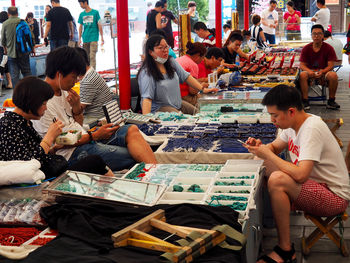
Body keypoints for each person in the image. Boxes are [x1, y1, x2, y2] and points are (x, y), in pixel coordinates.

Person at [245, 85, 350, 263]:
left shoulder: (311, 128)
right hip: (314, 185)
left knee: (277, 179)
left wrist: (268, 154)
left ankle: (285, 250)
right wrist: (260, 148)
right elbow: (275, 147)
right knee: (262, 162)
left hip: (334, 197)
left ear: (291, 111)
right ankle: (269, 216)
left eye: (275, 115)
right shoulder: (291, 125)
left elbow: (301, 175)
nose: (272, 120)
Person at [32, 46, 157, 171]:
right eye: (73, 77)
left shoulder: (64, 92)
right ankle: (155, 174)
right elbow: (59, 143)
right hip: (71, 154)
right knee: (135, 155)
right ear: (59, 74)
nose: (75, 82)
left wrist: (77, 109)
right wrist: (94, 135)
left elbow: (78, 125)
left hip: (87, 139)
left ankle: (157, 172)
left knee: (131, 130)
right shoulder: (43, 102)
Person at [0, 76, 114, 178]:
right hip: (42, 180)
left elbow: (34, 153)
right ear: (32, 103)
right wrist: (49, 137)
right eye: (44, 104)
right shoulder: (8, 126)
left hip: (52, 168)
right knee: (95, 161)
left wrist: (54, 149)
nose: (45, 108)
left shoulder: (24, 122)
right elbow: (27, 166)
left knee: (95, 161)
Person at [137, 35, 204, 115]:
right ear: (150, 52)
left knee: (198, 113)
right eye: (160, 48)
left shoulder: (170, 61)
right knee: (183, 118)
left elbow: (186, 76)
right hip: (160, 109)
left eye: (166, 47)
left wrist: (203, 89)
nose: (165, 50)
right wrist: (147, 120)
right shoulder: (147, 72)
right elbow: (146, 99)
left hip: (177, 104)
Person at [299, 25, 339, 110]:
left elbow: (331, 65)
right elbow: (302, 65)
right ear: (311, 35)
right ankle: (305, 100)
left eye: (319, 34)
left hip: (324, 72)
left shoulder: (329, 48)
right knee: (302, 75)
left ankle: (331, 100)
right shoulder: (306, 48)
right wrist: (309, 71)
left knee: (333, 75)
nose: (316, 36)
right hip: (310, 71)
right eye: (314, 34)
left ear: (323, 35)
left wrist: (322, 71)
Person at [74, 47, 113, 124]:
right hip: (103, 114)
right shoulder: (91, 73)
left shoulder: (88, 81)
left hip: (96, 119)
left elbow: (79, 109)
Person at [176, 42, 218, 106]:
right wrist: (201, 86)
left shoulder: (180, 59)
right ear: (198, 55)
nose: (202, 60)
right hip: (183, 96)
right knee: (208, 104)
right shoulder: (193, 64)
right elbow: (192, 90)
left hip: (174, 95)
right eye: (202, 57)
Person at [1, 7, 32, 88]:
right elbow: (30, 37)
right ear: (17, 13)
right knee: (27, 73)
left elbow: (3, 41)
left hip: (11, 53)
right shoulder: (23, 22)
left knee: (14, 76)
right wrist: (32, 48)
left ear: (8, 14)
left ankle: (17, 95)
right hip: (24, 51)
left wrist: (5, 50)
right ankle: (31, 92)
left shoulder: (5, 24)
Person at [77, 0, 104, 70]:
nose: (80, 6)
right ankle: (87, 73)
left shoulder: (95, 12)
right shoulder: (81, 14)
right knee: (86, 58)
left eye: (80, 4)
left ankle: (93, 73)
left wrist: (102, 37)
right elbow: (80, 27)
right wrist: (79, 38)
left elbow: (99, 24)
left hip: (94, 38)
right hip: (85, 38)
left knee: (92, 56)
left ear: (85, 2)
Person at [0, 11, 13, 89]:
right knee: (5, 65)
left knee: (2, 66)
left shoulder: (2, 26)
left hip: (2, 48)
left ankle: (1, 86)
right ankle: (10, 83)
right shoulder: (6, 25)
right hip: (6, 48)